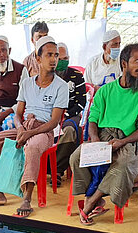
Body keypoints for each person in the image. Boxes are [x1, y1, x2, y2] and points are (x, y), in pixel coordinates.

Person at [0, 36, 68, 218]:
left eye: (55, 55)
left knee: (31, 147)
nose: (54, 59)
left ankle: (27, 198)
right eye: (49, 55)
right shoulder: (27, 83)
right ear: (37, 59)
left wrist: (30, 132)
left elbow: (54, 122)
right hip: (23, 127)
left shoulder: (61, 87)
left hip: (44, 131)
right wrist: (20, 128)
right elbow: (17, 113)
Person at [69, 44, 138, 225]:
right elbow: (93, 119)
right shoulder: (106, 91)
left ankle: (91, 201)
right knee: (76, 157)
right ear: (124, 64)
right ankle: (95, 199)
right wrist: (95, 141)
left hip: (125, 139)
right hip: (101, 135)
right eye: (137, 61)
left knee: (123, 165)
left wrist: (122, 142)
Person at [55, 42, 87, 178]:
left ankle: (57, 169)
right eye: (60, 59)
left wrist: (66, 115)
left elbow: (81, 103)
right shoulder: (48, 76)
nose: (63, 62)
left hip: (70, 114)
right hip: (49, 116)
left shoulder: (76, 75)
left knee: (69, 131)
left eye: (65, 59)